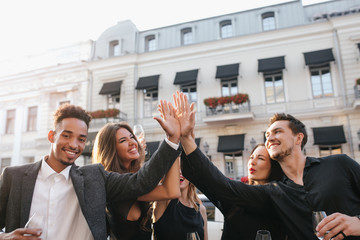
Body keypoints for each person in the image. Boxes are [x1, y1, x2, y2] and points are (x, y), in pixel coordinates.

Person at [174, 90, 360, 240]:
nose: (270, 138)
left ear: (298, 138)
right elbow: (224, 187)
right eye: (267, 135)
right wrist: (187, 138)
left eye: (277, 131)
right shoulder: (274, 193)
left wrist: (358, 223)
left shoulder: (339, 164)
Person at [0, 103, 181, 240]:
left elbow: (141, 181)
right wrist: (5, 237)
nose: (73, 144)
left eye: (81, 139)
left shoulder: (96, 177)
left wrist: (172, 139)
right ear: (51, 136)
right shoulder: (13, 178)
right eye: (66, 135)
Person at [92, 100, 181, 240]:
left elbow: (173, 190)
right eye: (123, 141)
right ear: (111, 150)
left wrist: (176, 140)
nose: (133, 142)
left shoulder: (133, 179)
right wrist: (172, 139)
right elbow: (168, 190)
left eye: (132, 137)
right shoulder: (114, 184)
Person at [152, 157, 208, 240]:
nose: (179, 172)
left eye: (183, 168)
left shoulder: (201, 210)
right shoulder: (164, 202)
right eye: (175, 169)